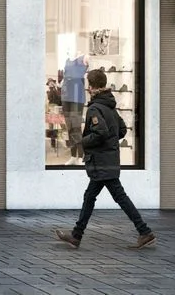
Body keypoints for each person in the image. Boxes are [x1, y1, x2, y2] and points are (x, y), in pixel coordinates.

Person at [56, 69, 156, 249]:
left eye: (88, 85)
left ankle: (144, 231)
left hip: (100, 162)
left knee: (112, 197)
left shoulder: (95, 108)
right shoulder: (109, 106)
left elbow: (100, 132)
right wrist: (110, 144)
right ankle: (77, 235)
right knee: (95, 196)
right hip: (108, 160)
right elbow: (122, 130)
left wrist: (81, 142)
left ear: (92, 87)